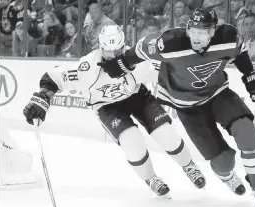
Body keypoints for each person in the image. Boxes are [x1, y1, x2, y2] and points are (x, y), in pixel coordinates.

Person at [123, 7, 255, 207]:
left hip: (218, 95)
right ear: (187, 29)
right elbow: (138, 50)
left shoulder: (227, 37)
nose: (196, 37)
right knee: (224, 161)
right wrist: (120, 64)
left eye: (203, 32)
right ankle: (227, 175)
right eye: (193, 31)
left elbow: (240, 53)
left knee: (248, 133)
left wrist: (251, 77)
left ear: (213, 31)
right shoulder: (170, 43)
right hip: (188, 107)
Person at [22, 25, 206, 197]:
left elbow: (167, 72)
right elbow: (53, 77)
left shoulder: (136, 59)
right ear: (101, 47)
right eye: (109, 52)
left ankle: (189, 166)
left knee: (166, 134)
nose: (114, 56)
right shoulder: (88, 68)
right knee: (133, 142)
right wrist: (42, 98)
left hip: (137, 97)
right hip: (107, 106)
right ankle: (151, 178)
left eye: (118, 51)